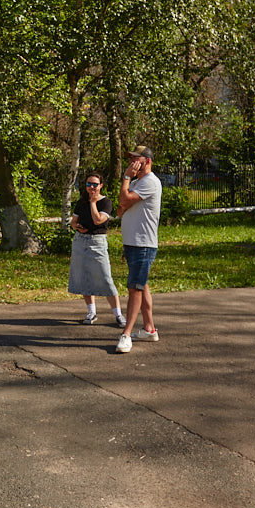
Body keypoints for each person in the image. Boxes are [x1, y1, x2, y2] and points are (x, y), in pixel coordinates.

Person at [115, 146, 163, 354]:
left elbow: (124, 201)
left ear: (148, 161)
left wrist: (126, 178)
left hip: (143, 244)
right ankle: (149, 329)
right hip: (133, 242)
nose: (132, 162)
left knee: (135, 288)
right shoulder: (136, 183)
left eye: (137, 159)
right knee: (142, 285)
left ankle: (126, 334)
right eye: (130, 159)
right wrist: (127, 192)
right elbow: (120, 208)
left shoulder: (149, 181)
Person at [68, 172, 126, 327]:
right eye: (89, 184)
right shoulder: (81, 202)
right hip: (80, 241)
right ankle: (91, 312)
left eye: (95, 184)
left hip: (97, 242)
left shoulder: (106, 202)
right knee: (84, 278)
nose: (92, 187)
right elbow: (73, 222)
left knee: (105, 278)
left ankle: (118, 314)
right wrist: (77, 227)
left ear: (101, 186)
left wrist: (93, 202)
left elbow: (98, 220)